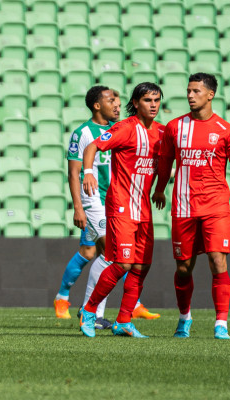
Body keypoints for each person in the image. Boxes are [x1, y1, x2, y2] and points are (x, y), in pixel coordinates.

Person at [152, 73, 230, 340]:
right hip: (184, 206)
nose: (190, 95)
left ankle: (221, 322)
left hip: (216, 205)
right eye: (188, 90)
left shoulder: (226, 131)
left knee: (217, 260)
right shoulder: (175, 127)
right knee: (184, 267)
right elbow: (165, 162)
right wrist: (160, 188)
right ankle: (184, 317)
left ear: (210, 95)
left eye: (196, 91)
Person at [60, 86, 159, 326]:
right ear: (97, 105)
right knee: (109, 253)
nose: (117, 105)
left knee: (106, 255)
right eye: (111, 100)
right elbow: (74, 173)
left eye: (118, 101)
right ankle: (87, 309)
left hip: (117, 200)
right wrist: (78, 207)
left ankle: (93, 310)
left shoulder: (122, 129)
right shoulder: (83, 132)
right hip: (93, 199)